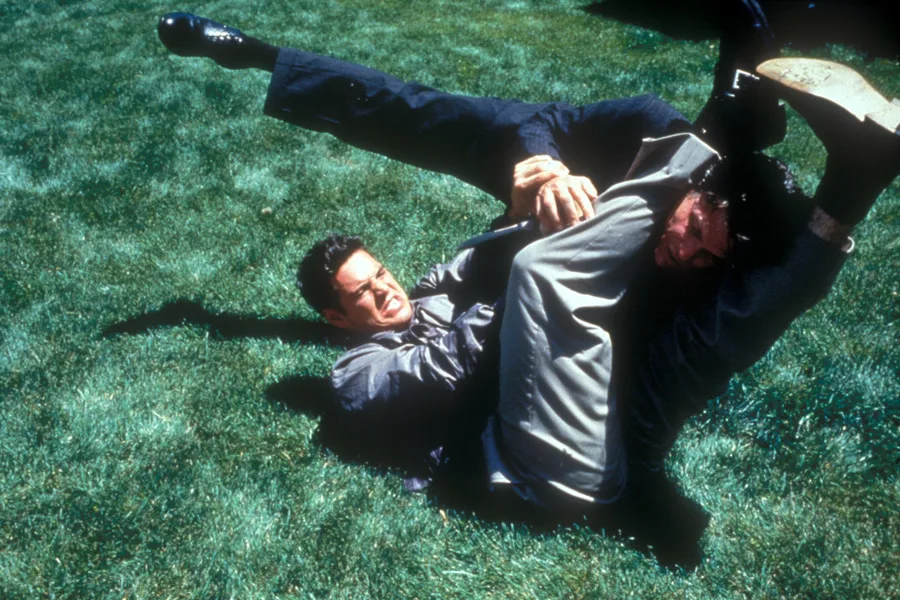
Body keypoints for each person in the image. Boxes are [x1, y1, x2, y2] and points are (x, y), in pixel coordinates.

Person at [156, 12, 900, 565]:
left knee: (473, 136)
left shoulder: (436, 285)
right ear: (335, 321)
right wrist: (532, 238)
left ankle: (847, 174)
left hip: (610, 403)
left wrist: (534, 187)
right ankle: (721, 124)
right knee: (543, 273)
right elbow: (455, 359)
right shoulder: (354, 373)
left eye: (380, 274)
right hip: (553, 458)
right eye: (365, 298)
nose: (386, 293)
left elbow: (494, 217)